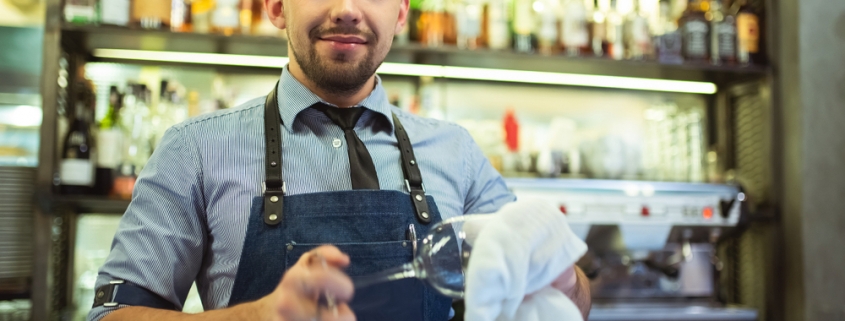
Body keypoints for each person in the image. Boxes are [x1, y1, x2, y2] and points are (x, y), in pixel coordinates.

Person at [88, 0, 591, 319]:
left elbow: (570, 305)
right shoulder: (195, 150)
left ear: (400, 12)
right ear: (275, 6)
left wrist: (556, 269)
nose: (348, 9)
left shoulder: (457, 152)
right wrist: (260, 318)